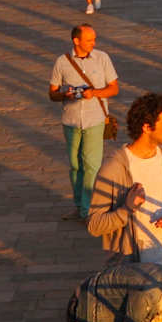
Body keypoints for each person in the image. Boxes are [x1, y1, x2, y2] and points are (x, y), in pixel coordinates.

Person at [88, 91, 162, 262]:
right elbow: (95, 225)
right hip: (133, 270)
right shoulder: (114, 169)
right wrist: (126, 209)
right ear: (146, 127)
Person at [55, 24, 123, 221]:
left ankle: (88, 210)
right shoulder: (62, 62)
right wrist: (64, 94)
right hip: (71, 119)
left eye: (94, 39)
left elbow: (114, 88)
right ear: (76, 41)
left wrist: (94, 93)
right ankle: (79, 205)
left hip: (95, 119)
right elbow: (52, 92)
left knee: (92, 165)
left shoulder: (102, 58)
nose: (93, 43)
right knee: (75, 165)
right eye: (89, 40)